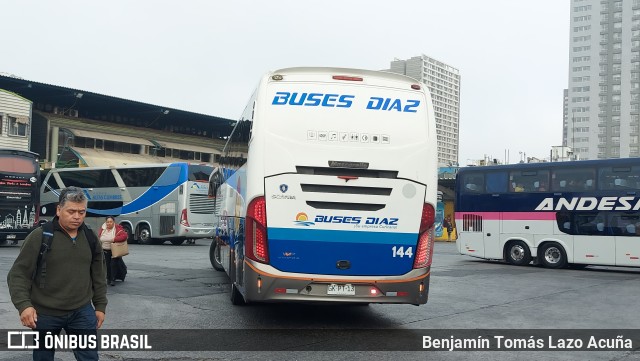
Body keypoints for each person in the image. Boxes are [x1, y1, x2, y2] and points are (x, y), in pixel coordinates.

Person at [7, 186, 107, 361]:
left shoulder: (91, 237)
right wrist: (24, 305)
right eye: (71, 211)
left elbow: (98, 274)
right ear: (59, 210)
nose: (77, 217)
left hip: (81, 312)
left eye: (82, 212)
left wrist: (100, 306)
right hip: (45, 314)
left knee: (90, 357)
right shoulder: (40, 236)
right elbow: (18, 274)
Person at [99, 216, 128, 286]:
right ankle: (108, 278)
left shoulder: (117, 228)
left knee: (113, 264)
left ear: (113, 222)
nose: (109, 223)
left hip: (115, 250)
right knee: (107, 265)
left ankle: (112, 279)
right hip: (105, 249)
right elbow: (100, 238)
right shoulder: (103, 229)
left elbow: (124, 236)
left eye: (111, 222)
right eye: (107, 222)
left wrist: (113, 239)